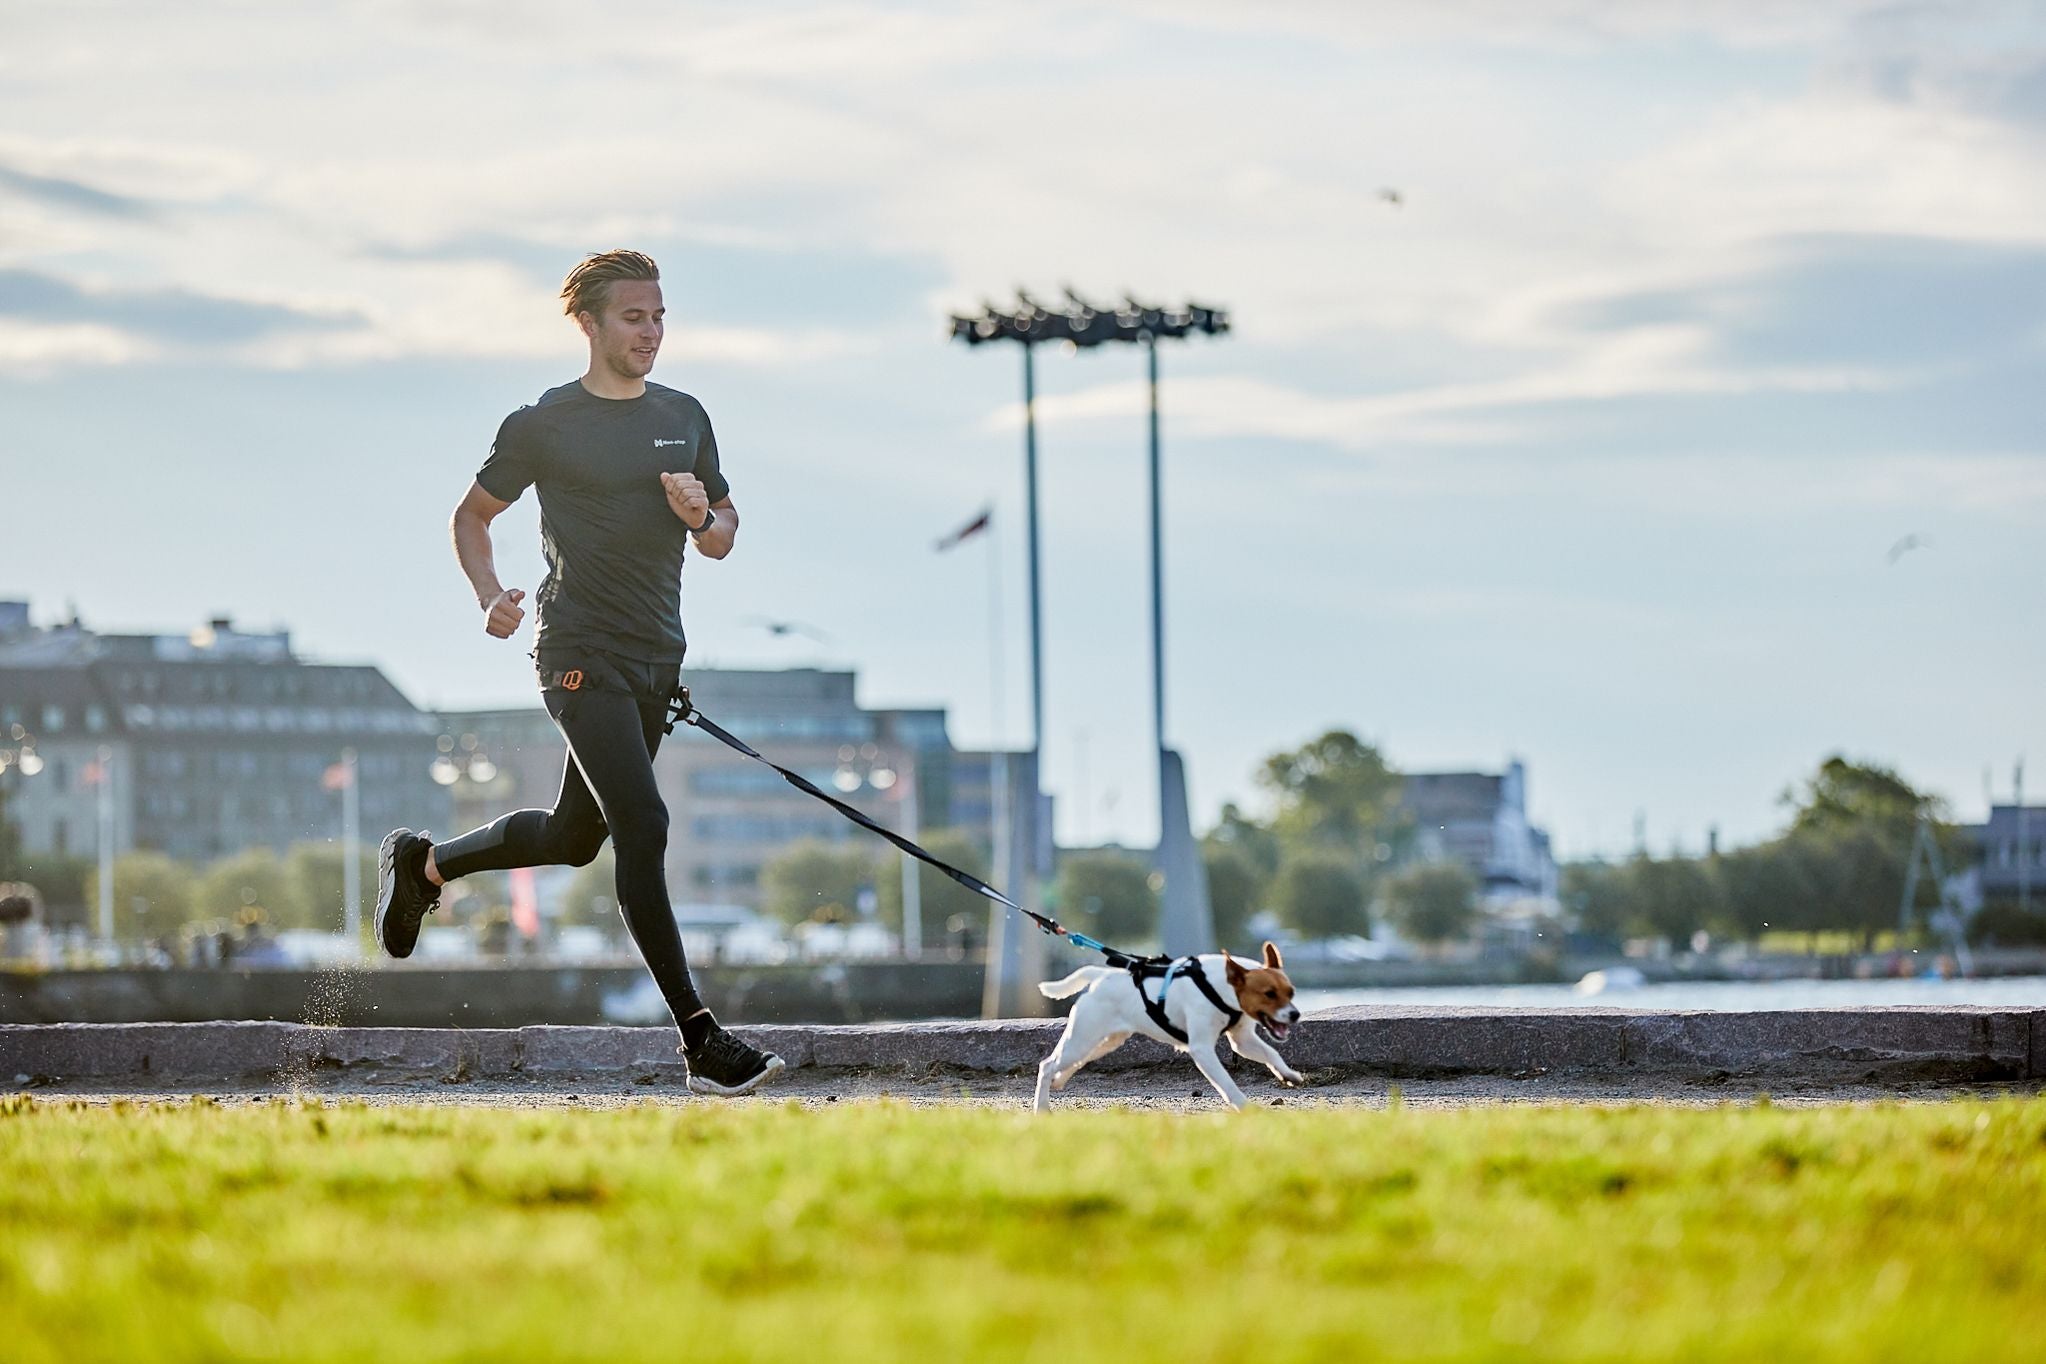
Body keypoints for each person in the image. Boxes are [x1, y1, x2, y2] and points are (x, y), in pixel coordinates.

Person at [373, 249, 783, 1096]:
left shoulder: (685, 415)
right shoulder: (544, 424)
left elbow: (724, 531)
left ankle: (424, 866)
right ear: (588, 325)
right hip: (576, 654)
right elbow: (473, 515)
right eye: (635, 317)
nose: (652, 332)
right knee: (644, 823)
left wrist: (702, 516)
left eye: (661, 315)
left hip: (654, 661)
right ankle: (699, 1036)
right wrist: (490, 595)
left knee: (576, 836)